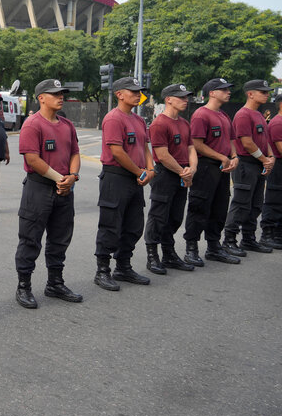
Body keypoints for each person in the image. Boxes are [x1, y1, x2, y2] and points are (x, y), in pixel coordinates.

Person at [13, 79, 83, 308]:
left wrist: (72, 176)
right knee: (30, 238)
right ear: (41, 97)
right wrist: (60, 179)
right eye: (55, 94)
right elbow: (32, 158)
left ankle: (55, 282)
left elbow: (74, 152)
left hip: (65, 187)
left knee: (60, 238)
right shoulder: (32, 124)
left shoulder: (67, 125)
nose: (60, 97)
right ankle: (24, 286)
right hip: (39, 187)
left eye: (62, 93)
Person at [92, 77, 154, 292]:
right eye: (133, 91)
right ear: (119, 94)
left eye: (139, 91)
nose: (138, 95)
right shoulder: (113, 118)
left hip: (135, 178)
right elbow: (117, 152)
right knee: (110, 225)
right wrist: (140, 171)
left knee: (134, 225)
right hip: (116, 177)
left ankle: (123, 266)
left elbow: (145, 147)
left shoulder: (138, 120)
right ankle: (102, 271)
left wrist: (150, 169)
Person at [184, 78, 241, 265]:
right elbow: (197, 145)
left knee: (219, 208)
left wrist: (234, 156)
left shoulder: (224, 116)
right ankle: (191, 248)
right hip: (207, 167)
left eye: (228, 89)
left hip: (223, 167)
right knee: (199, 207)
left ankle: (214, 247)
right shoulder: (201, 115)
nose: (228, 92)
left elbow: (232, 140)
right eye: (223, 89)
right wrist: (222, 157)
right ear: (212, 93)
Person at [144, 84, 199, 275]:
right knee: (158, 217)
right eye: (181, 97)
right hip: (166, 174)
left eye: (186, 97)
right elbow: (163, 155)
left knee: (175, 217)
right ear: (169, 99)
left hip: (182, 173)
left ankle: (168, 253)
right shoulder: (160, 123)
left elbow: (191, 148)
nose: (186, 100)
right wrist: (183, 172)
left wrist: (192, 169)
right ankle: (153, 256)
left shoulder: (184, 123)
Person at [224, 79, 276, 254]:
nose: (266, 94)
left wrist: (270, 156)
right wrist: (264, 159)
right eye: (263, 92)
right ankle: (229, 240)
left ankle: (248, 238)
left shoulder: (259, 115)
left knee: (255, 204)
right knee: (241, 203)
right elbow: (246, 142)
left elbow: (265, 140)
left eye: (267, 91)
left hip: (258, 162)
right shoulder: (243, 115)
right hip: (246, 164)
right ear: (250, 93)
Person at [260, 92, 282, 249]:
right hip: (278, 167)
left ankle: (278, 234)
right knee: (274, 200)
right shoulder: (278, 123)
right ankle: (267, 235)